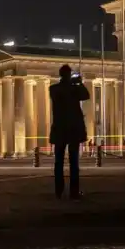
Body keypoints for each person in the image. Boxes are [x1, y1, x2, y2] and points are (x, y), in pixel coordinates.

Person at [49, 65, 90, 199]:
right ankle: (74, 191)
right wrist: (78, 83)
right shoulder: (73, 89)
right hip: (73, 129)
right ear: (68, 74)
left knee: (58, 162)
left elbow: (84, 96)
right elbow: (86, 95)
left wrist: (75, 84)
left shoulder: (54, 88)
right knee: (74, 163)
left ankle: (58, 190)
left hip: (60, 129)